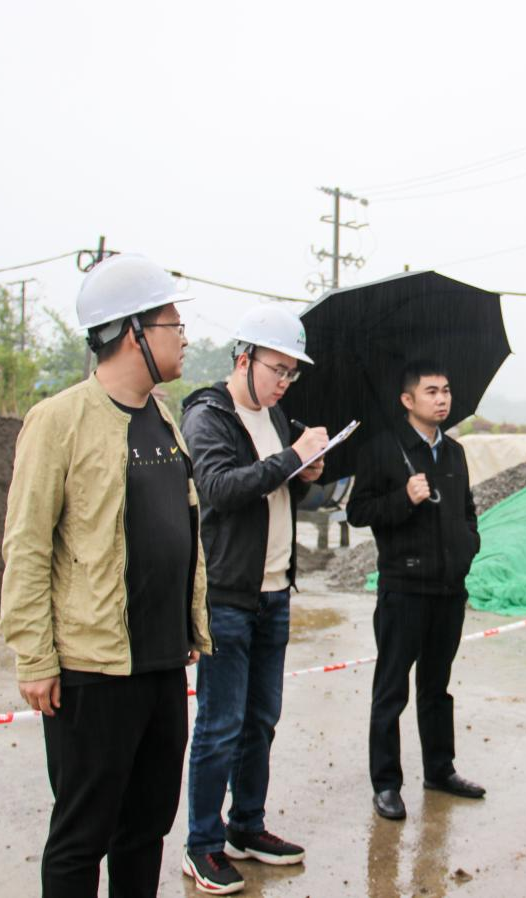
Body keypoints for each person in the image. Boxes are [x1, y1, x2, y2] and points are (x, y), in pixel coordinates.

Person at [0, 253, 213, 898]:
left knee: (146, 828)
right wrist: (35, 657)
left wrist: (191, 627)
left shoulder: (163, 418)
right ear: (132, 331)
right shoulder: (59, 420)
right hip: (93, 669)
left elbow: (179, 528)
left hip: (161, 663)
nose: (184, 337)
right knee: (82, 834)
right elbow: (27, 545)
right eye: (173, 324)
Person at [179, 304, 328, 895]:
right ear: (244, 358)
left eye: (292, 373)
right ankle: (202, 844)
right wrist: (290, 458)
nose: (284, 382)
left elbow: (277, 491)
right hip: (229, 595)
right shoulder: (209, 415)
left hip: (274, 591)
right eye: (277, 369)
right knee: (220, 724)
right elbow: (218, 488)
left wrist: (305, 475)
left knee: (261, 718)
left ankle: (246, 826)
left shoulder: (276, 415)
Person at [346, 360, 485, 821]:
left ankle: (440, 770)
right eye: (431, 392)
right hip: (403, 588)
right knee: (391, 689)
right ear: (407, 400)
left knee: (436, 686)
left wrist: (468, 545)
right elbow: (359, 512)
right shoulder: (381, 449)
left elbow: (467, 511)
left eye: (446, 390)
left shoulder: (455, 452)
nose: (442, 399)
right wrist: (403, 498)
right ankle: (386, 784)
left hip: (449, 589)